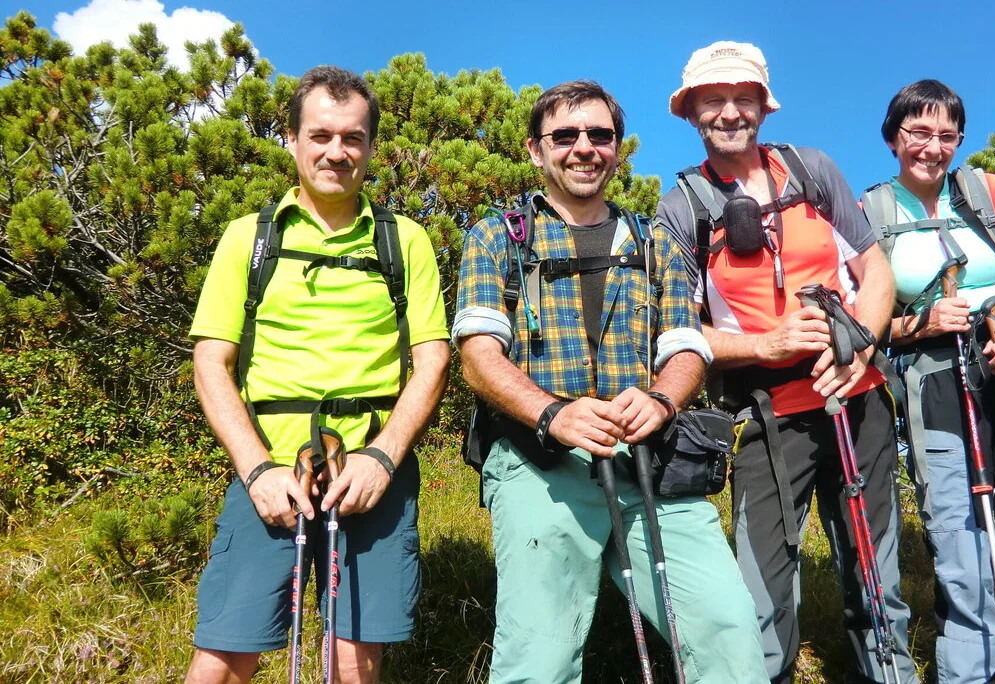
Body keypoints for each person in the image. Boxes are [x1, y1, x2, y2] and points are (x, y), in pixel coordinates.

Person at [454, 79, 768, 683]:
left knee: (729, 635)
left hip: (649, 457)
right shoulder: (497, 236)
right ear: (534, 149)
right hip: (538, 459)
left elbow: (686, 346)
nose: (583, 148)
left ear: (619, 149)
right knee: (538, 660)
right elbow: (478, 356)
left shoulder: (657, 245)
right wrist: (552, 414)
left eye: (600, 135)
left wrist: (662, 398)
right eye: (565, 135)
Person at [656, 42, 916, 684]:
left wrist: (860, 343)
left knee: (875, 569)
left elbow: (873, 270)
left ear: (762, 108)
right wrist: (767, 346)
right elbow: (680, 332)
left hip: (858, 397)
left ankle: (889, 673)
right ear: (691, 113)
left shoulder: (812, 169)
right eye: (712, 101)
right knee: (761, 589)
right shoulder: (683, 206)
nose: (729, 113)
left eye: (742, 99)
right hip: (762, 414)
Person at [184, 65, 450, 684]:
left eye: (353, 138)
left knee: (353, 662)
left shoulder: (404, 241)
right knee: (223, 655)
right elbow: (211, 362)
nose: (337, 151)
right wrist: (256, 472)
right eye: (321, 135)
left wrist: (381, 460)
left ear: (371, 146)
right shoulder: (247, 239)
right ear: (292, 139)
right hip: (268, 472)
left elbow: (432, 360)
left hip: (370, 475)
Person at [862, 78, 995, 683]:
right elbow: (867, 325)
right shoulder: (869, 214)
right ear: (892, 137)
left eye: (946, 134)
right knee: (962, 548)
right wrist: (919, 322)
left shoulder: (987, 192)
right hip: (934, 382)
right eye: (918, 132)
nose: (932, 146)